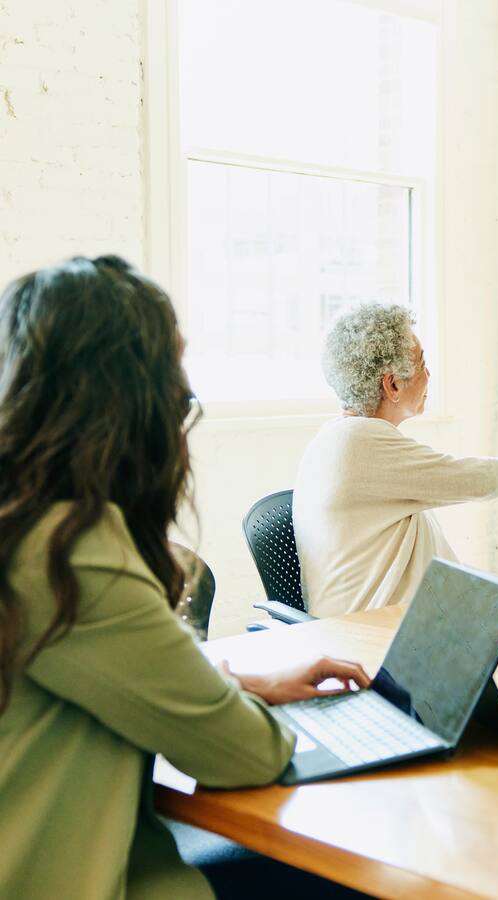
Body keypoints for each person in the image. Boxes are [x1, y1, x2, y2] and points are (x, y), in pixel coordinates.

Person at [0, 256, 372, 900]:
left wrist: (236, 682)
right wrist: (240, 707)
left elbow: (93, 681)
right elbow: (245, 754)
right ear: (132, 403)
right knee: (361, 866)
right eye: (174, 376)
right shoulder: (73, 554)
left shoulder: (21, 523)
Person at [293, 303, 498, 616]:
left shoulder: (338, 437)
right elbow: (471, 479)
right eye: (422, 364)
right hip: (369, 632)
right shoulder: (359, 442)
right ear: (393, 385)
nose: (429, 375)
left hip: (391, 622)